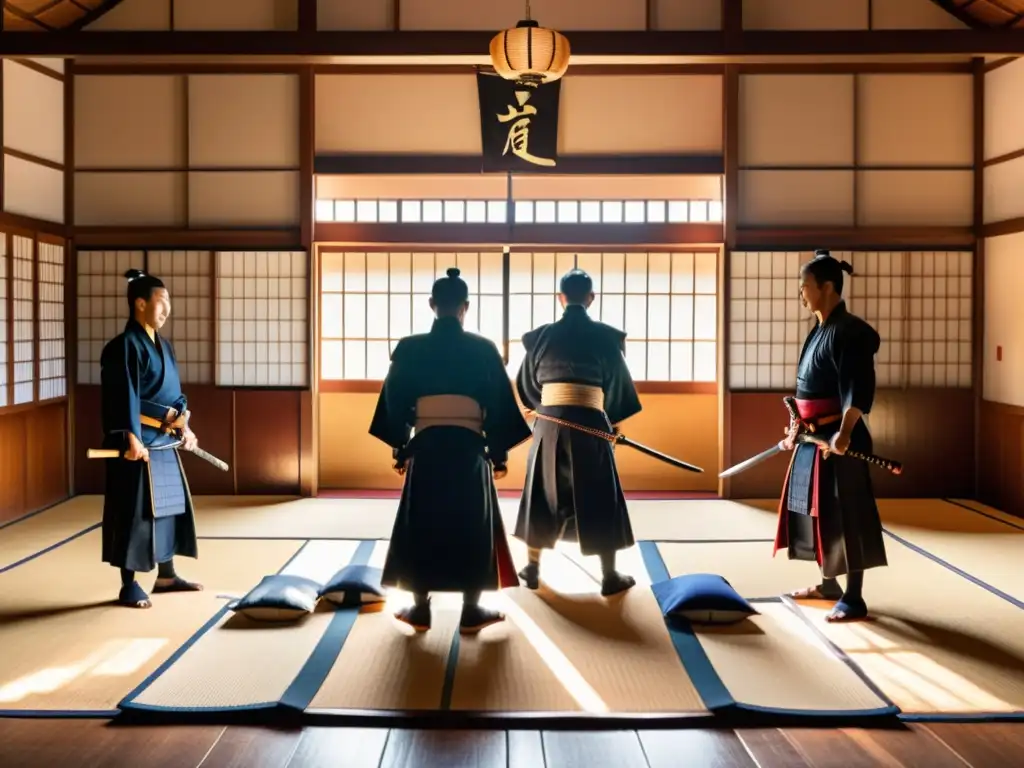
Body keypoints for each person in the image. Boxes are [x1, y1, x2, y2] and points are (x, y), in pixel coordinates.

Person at [369, 267, 532, 635]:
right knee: (472, 524)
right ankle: (472, 610)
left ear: (432, 305)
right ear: (466, 307)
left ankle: (419, 608)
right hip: (470, 448)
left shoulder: (410, 348)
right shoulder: (483, 349)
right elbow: (499, 405)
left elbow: (395, 402)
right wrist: (498, 454)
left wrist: (401, 449)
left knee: (422, 523)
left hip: (425, 447)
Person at [514, 268, 642, 597]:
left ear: (561, 298)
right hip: (590, 422)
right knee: (598, 493)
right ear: (591, 298)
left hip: (550, 423)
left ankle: (531, 568)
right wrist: (610, 420)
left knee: (542, 492)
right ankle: (609, 575)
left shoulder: (540, 338)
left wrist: (545, 408)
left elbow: (527, 384)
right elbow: (617, 387)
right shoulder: (605, 339)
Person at [776, 250, 887, 623]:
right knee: (816, 511)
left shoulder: (850, 331)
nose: (801, 294)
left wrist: (845, 432)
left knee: (848, 514)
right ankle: (828, 584)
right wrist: (797, 426)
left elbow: (857, 387)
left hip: (840, 439)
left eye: (805, 287)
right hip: (814, 437)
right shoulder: (819, 331)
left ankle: (854, 598)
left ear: (826, 287)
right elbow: (808, 390)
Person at [100, 269, 202, 609]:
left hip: (164, 438)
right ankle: (128, 585)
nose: (166, 309)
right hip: (138, 442)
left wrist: (185, 426)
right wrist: (130, 436)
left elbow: (176, 394)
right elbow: (123, 395)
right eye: (161, 302)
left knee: (170, 507)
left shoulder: (165, 346)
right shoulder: (124, 346)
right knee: (134, 513)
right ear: (140, 304)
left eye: (169, 302)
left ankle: (167, 575)